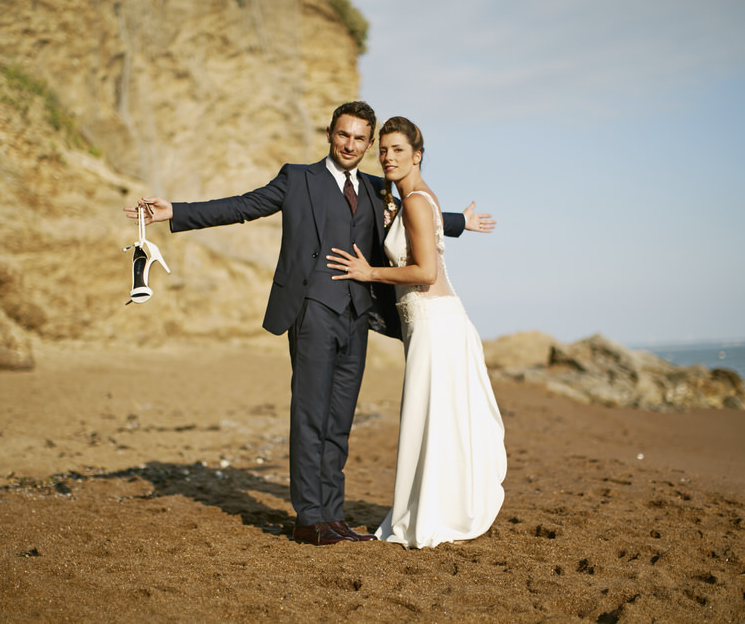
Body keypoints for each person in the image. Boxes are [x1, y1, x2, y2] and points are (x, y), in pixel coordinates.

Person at [124, 102, 495, 546]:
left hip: (358, 317)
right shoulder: (298, 179)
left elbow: (419, 217)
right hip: (312, 311)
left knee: (339, 421)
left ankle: (333, 515)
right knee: (310, 415)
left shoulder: (380, 188)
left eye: (360, 139)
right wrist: (176, 212)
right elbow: (243, 206)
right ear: (329, 134)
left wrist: (461, 222)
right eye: (344, 135)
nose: (351, 145)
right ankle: (309, 516)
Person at [326, 116, 507, 548]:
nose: (388, 158)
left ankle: (434, 513)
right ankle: (435, 508)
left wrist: (369, 271)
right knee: (434, 421)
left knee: (433, 420)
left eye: (398, 151)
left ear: (417, 155)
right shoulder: (415, 198)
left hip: (434, 322)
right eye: (383, 150)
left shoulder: (415, 202)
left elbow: (425, 271)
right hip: (429, 322)